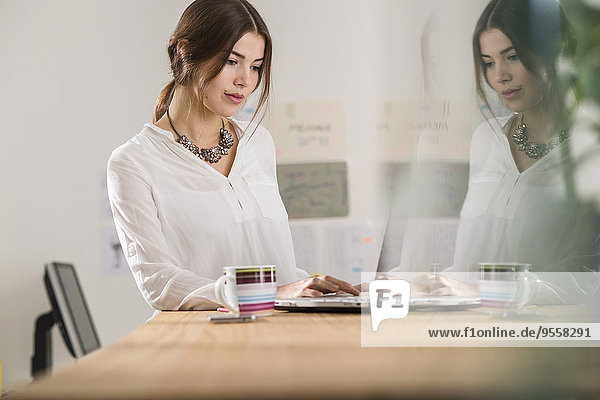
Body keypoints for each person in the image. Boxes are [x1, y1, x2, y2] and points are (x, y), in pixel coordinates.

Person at [107, 0, 359, 312]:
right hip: (208, 343)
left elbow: (274, 262)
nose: (246, 80)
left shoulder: (258, 143)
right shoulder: (134, 163)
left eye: (255, 66)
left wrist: (327, 290)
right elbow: (159, 282)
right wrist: (275, 292)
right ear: (184, 53)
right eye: (231, 61)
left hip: (281, 332)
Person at [388, 0, 599, 303]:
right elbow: (474, 262)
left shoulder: (590, 148)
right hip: (470, 331)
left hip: (545, 341)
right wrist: (417, 283)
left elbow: (589, 276)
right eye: (488, 62)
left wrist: (489, 291)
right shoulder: (487, 138)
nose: (500, 76)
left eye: (512, 57)